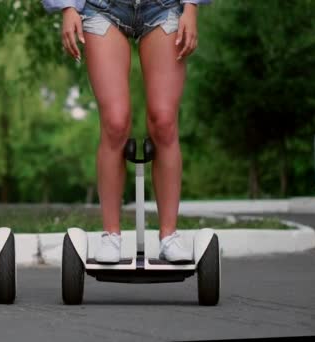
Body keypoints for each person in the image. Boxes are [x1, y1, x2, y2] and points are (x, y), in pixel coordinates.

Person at [42, 0, 210, 263]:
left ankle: (169, 236)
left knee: (164, 122)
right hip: (102, 9)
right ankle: (111, 235)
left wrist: (191, 7)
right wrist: (67, 7)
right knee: (115, 123)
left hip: (163, 8)